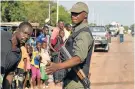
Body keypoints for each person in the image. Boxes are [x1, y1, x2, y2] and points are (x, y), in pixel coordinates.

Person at [46, 2, 94, 89]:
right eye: (72, 13)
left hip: (76, 82)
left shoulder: (83, 34)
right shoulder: (76, 31)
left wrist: (57, 66)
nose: (73, 15)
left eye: (77, 13)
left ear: (85, 15)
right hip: (71, 80)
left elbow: (78, 58)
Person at [1, 22, 33, 89]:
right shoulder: (2, 35)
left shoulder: (18, 54)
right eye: (24, 33)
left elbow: (10, 73)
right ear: (18, 30)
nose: (26, 37)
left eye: (29, 35)